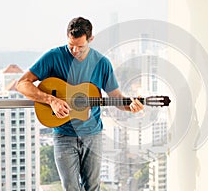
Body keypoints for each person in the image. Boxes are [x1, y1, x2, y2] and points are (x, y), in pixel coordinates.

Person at [16, 17, 144, 191]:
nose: (75, 50)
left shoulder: (102, 63)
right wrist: (51, 100)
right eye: (71, 45)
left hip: (93, 135)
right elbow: (22, 84)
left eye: (80, 46)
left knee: (92, 187)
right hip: (63, 135)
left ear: (90, 39)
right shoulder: (53, 57)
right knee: (70, 187)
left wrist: (130, 106)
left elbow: (116, 97)